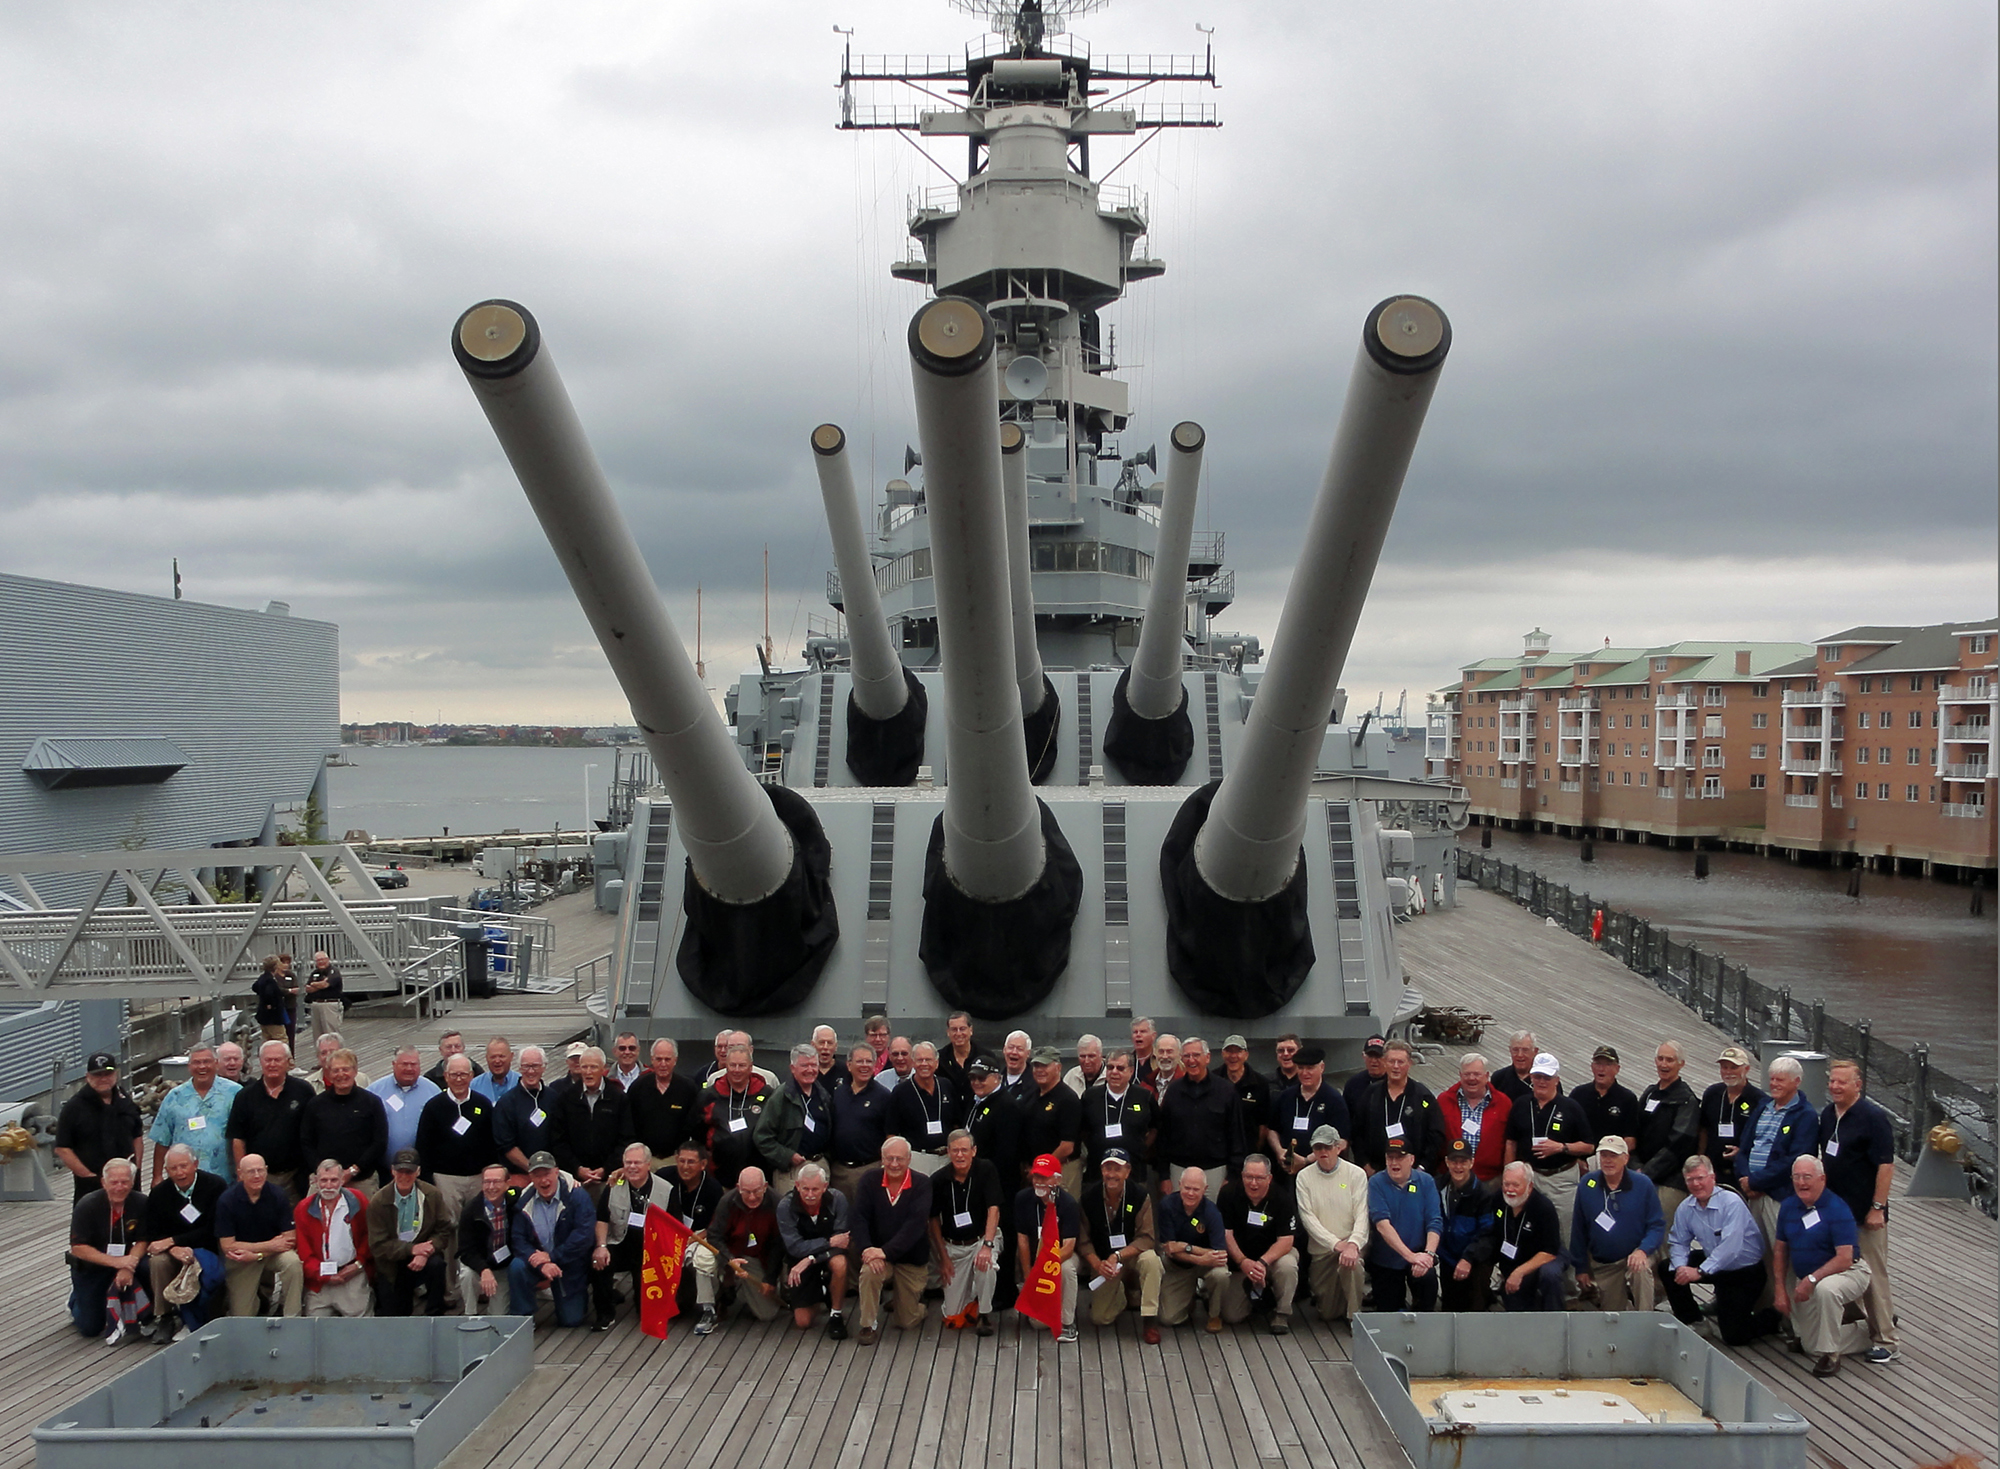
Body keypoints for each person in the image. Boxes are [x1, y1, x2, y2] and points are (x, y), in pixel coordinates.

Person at [1818, 1058, 1900, 1363]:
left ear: (1857, 1085)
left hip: (1866, 1214)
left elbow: (1886, 1165)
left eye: (1842, 1082)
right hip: (1836, 1212)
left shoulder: (1872, 1118)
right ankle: (1859, 1324)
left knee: (1873, 1275)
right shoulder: (1828, 1114)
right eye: (1832, 1081)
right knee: (1839, 1269)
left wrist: (1877, 1207)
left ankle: (1887, 1339)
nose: (1835, 1087)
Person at [1772, 1156, 1870, 1378]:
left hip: (1848, 1272)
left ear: (1822, 1179)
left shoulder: (1837, 1208)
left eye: (1807, 1177)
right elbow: (1780, 1250)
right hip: (1810, 1278)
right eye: (1796, 1177)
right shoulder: (1788, 1206)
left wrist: (1812, 1280)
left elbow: (1845, 1258)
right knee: (1809, 1346)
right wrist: (1779, 1288)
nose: (1801, 1182)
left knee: (1827, 1290)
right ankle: (1864, 1329)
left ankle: (1831, 1354)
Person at [1503, 1051, 1592, 1289]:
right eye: (1538, 1076)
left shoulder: (1570, 1107)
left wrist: (1561, 1147)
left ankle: (1568, 1286)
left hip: (1561, 1177)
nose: (1541, 1081)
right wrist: (1508, 1173)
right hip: (1530, 1177)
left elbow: (1589, 1144)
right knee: (1521, 1227)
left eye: (1547, 1077)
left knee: (1565, 1231)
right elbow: (1510, 1142)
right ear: (1531, 1077)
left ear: (1557, 1080)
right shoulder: (1521, 1105)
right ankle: (1517, 1278)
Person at [1664, 1154, 1771, 1345]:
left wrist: (1699, 1271)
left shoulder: (1731, 1203)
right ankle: (1694, 1320)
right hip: (1714, 1264)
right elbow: (1679, 1242)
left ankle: (1773, 1319)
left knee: (1734, 1337)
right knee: (1668, 1268)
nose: (1696, 1184)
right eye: (1690, 1180)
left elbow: (1731, 1248)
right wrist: (1681, 1267)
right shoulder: (1685, 1208)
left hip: (1743, 1272)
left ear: (1712, 1178)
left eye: (1700, 1178)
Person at [851, 1137, 933, 1342]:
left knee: (907, 1322)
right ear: (882, 1158)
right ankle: (868, 1325)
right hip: (879, 1256)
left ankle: (914, 1305)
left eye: (899, 1159)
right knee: (869, 1272)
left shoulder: (922, 1184)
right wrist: (868, 1250)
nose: (894, 1164)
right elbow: (858, 1218)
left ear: (909, 1159)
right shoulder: (869, 1180)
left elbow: (915, 1226)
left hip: (910, 1259)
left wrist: (884, 1251)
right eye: (889, 1158)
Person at [1570, 1137, 1665, 1310]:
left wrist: (1643, 1250)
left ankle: (1645, 1322)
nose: (1607, 1160)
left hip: (1637, 1254)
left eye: (1613, 1156)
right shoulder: (1587, 1184)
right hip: (1605, 1264)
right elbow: (1578, 1228)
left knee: (1640, 1271)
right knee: (1613, 1317)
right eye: (1604, 1155)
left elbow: (1657, 1225)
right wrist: (1581, 1268)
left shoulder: (1643, 1184)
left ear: (1626, 1158)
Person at [143, 1144, 227, 1339]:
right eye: (173, 1168)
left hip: (207, 1247)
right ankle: (165, 1316)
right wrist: (173, 1249)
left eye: (184, 1166)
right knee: (157, 1261)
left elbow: (213, 1228)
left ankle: (198, 1315)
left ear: (195, 1164)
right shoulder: (159, 1194)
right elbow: (153, 1232)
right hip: (173, 1250)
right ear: (167, 1170)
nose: (180, 1172)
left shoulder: (215, 1186)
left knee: (205, 1267)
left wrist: (174, 1241)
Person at [1076, 1149, 1162, 1340]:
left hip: (1131, 1255)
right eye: (1108, 1168)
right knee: (1100, 1318)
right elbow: (1083, 1242)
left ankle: (1150, 1320)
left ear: (1127, 1171)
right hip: (1104, 1261)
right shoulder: (1089, 1198)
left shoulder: (1140, 1195)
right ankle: (1122, 1294)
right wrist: (1098, 1264)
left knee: (1152, 1260)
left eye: (1117, 1169)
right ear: (1101, 1170)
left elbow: (1147, 1238)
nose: (1112, 1174)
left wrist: (1119, 1255)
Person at [1737, 1056, 1819, 1247]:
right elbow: (1745, 1147)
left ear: (1796, 1081)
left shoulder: (1805, 1116)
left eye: (1780, 1080)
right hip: (1751, 1194)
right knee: (1754, 1252)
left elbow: (1795, 1160)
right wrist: (1744, 1177)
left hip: (1778, 1197)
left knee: (1782, 1252)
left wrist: (1756, 1181)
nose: (1774, 1084)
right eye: (1772, 1079)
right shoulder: (1762, 1107)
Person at [593, 1143, 676, 1331]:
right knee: (599, 1262)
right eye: (628, 1162)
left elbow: (673, 1227)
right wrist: (601, 1246)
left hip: (650, 1250)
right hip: (618, 1243)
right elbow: (602, 1219)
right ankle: (605, 1314)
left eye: (637, 1162)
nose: (632, 1167)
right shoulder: (613, 1185)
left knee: (645, 1311)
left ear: (648, 1164)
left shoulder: (666, 1190)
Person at [509, 1151, 596, 1328]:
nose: (543, 1180)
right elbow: (518, 1239)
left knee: (571, 1320)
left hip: (569, 1262)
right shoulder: (523, 1202)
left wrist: (553, 1257)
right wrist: (542, 1263)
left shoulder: (578, 1196)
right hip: (538, 1261)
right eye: (537, 1175)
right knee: (517, 1266)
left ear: (557, 1171)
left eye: (547, 1174)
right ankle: (524, 1318)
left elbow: (583, 1236)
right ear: (530, 1177)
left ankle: (571, 1295)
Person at [691, 1165, 783, 1332]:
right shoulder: (727, 1202)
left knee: (766, 1314)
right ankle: (708, 1309)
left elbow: (778, 1244)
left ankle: (736, 1290)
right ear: (738, 1188)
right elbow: (714, 1236)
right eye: (747, 1192)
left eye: (756, 1191)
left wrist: (770, 1278)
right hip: (726, 1250)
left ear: (765, 1186)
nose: (752, 1197)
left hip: (754, 1256)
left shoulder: (778, 1203)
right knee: (703, 1258)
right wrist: (729, 1259)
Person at [67, 1157, 148, 1342]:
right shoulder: (87, 1205)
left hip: (127, 1261)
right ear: (104, 1182)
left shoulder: (141, 1202)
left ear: (132, 1182)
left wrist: (127, 1265)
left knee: (148, 1266)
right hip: (92, 1267)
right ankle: (75, 1300)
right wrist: (116, 1262)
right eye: (114, 1182)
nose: (119, 1187)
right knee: (90, 1327)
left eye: (125, 1181)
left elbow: (144, 1240)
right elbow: (78, 1248)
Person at [1294, 1125, 1369, 1321]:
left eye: (1327, 1147)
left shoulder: (1357, 1174)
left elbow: (1362, 1214)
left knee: (1351, 1265)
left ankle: (1355, 1316)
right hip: (1322, 1250)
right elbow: (1308, 1218)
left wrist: (1352, 1244)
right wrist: (1335, 1244)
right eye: (1318, 1148)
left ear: (1339, 1147)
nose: (1323, 1152)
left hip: (1351, 1244)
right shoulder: (1303, 1177)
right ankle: (1341, 1300)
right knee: (1327, 1313)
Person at [416, 1054, 497, 1234]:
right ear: (446, 1076)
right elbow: (424, 1146)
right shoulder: (433, 1107)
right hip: (446, 1180)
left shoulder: (483, 1104)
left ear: (471, 1076)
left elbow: (492, 1142)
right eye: (454, 1075)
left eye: (463, 1074)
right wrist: (429, 1181)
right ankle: (452, 1263)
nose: (458, 1079)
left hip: (477, 1178)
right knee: (448, 1228)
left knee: (478, 1225)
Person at [216, 1153, 304, 1318]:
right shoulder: (227, 1201)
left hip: (271, 1255)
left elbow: (290, 1239)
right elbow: (228, 1246)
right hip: (241, 1259)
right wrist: (269, 1245)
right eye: (250, 1171)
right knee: (242, 1317)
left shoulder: (278, 1195)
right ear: (240, 1173)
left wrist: (258, 1254)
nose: (256, 1175)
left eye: (260, 1170)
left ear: (266, 1171)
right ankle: (259, 1301)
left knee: (293, 1263)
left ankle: (293, 1316)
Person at [1153, 1039, 1243, 1199]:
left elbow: (1236, 1134)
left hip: (1215, 1172)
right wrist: (1164, 1175)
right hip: (1179, 1171)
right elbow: (1163, 1136)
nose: (1191, 1060)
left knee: (1213, 1221)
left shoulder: (1226, 1091)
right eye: (1186, 1056)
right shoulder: (1173, 1091)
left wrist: (1232, 1176)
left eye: (1196, 1055)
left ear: (1207, 1058)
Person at [227, 1040, 316, 1199]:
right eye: (268, 1060)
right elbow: (238, 1138)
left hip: (296, 1176)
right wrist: (242, 1172)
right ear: (260, 1062)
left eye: (277, 1060)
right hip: (259, 1176)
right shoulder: (245, 1096)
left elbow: (314, 1131)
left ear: (288, 1062)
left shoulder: (304, 1091)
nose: (272, 1064)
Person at [1219, 1154, 1298, 1333]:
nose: (1253, 1183)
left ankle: (1281, 1313)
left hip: (1272, 1258)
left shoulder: (1282, 1198)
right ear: (1242, 1175)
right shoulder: (1228, 1194)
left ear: (1269, 1178)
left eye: (1259, 1178)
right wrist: (1243, 1261)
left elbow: (1286, 1240)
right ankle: (1256, 1300)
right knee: (1232, 1316)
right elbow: (1226, 1234)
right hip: (1241, 1262)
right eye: (1249, 1177)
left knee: (1288, 1265)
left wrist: (1262, 1263)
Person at [368, 1148, 451, 1316]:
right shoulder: (378, 1202)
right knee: (394, 1314)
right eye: (400, 1171)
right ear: (392, 1171)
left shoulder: (432, 1195)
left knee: (437, 1265)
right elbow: (378, 1246)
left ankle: (435, 1314)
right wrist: (411, 1249)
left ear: (418, 1171)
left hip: (425, 1256)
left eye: (409, 1171)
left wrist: (425, 1252)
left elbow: (444, 1230)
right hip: (391, 1263)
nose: (404, 1176)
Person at [53, 1051, 143, 1203]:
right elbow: (62, 1148)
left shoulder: (124, 1100)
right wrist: (87, 1175)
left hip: (127, 1180)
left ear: (116, 1074)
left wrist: (136, 1169)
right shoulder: (74, 1107)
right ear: (88, 1077)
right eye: (97, 1075)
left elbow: (137, 1136)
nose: (103, 1079)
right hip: (91, 1183)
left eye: (107, 1074)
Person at [147, 1043, 240, 1186]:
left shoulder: (235, 1093)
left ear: (216, 1064)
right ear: (189, 1067)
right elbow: (162, 1139)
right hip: (185, 1180)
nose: (202, 1067)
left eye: (206, 1062)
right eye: (197, 1062)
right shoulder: (174, 1097)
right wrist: (157, 1176)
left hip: (226, 1179)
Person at [1366, 1140, 1443, 1311]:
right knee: (1389, 1313)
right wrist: (1410, 1256)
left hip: (1418, 1253)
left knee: (1428, 1281)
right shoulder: (1376, 1183)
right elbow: (1382, 1225)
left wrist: (1428, 1255)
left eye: (1400, 1158)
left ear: (1411, 1160)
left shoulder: (1426, 1181)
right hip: (1386, 1260)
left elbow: (1434, 1221)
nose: (1394, 1163)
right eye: (1390, 1157)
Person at [775, 1162, 851, 1336]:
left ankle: (836, 1314)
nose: (810, 1195)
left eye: (815, 1189)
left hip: (823, 1257)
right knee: (803, 1322)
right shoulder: (785, 1207)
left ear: (825, 1187)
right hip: (799, 1259)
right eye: (805, 1189)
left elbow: (843, 1242)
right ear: (797, 1186)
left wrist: (810, 1258)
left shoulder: (838, 1199)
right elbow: (795, 1247)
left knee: (840, 1264)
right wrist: (828, 1242)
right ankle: (822, 1292)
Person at [1634, 1041, 1702, 1234]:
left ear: (1681, 1064)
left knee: (1662, 1238)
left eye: (1670, 1060)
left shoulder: (1686, 1100)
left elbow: (1678, 1145)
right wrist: (1635, 1167)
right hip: (1641, 1175)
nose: (1664, 1064)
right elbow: (1635, 1132)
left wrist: (1646, 1173)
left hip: (1669, 1181)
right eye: (1660, 1059)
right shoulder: (1650, 1093)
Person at [1013, 1153, 1081, 1343]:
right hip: (1035, 1259)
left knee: (1066, 1269)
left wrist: (1045, 1268)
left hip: (1061, 1256)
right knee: (1037, 1324)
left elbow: (1069, 1246)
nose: (1039, 1182)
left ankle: (1068, 1322)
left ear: (1057, 1180)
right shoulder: (1022, 1199)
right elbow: (1022, 1240)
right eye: (1036, 1176)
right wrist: (1029, 1275)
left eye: (1044, 1177)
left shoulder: (1068, 1203)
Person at [299, 1047, 389, 1189]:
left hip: (362, 1180)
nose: (341, 1074)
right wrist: (322, 1171)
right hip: (324, 1180)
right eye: (336, 1070)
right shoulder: (316, 1104)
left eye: (345, 1069)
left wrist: (353, 1170)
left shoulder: (372, 1102)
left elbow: (379, 1142)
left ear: (355, 1071)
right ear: (328, 1074)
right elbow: (306, 1141)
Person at [295, 1157, 374, 1317]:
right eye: (324, 1180)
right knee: (314, 1330)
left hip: (352, 1275)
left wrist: (359, 1263)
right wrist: (321, 1275)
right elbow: (304, 1252)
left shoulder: (357, 1200)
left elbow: (369, 1235)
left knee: (363, 1328)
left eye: (333, 1180)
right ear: (316, 1181)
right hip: (319, 1281)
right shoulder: (303, 1209)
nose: (329, 1186)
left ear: (342, 1180)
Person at [1157, 1165, 1230, 1332]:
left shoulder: (1212, 1212)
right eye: (1187, 1188)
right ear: (1179, 1184)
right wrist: (1200, 1256)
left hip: (1207, 1265)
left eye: (1196, 1189)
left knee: (1221, 1274)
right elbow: (1169, 1249)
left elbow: (1221, 1254)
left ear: (1205, 1189)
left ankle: (1214, 1315)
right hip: (1178, 1266)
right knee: (1168, 1319)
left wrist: (1186, 1247)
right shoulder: (1166, 1206)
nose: (1190, 1193)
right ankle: (1187, 1298)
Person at [1353, 1040, 1443, 1174]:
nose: (1396, 1066)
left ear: (1409, 1064)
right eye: (1391, 1061)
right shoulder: (1371, 1094)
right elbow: (1357, 1131)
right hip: (1375, 1172)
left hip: (1413, 1173)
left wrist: (1422, 1168)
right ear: (1384, 1062)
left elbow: (1435, 1135)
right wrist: (1365, 1165)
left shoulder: (1422, 1096)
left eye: (1400, 1062)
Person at [552, 1046, 632, 1194]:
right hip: (575, 1180)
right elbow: (558, 1140)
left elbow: (626, 1139)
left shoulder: (618, 1098)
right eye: (585, 1067)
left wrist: (606, 1169)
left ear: (603, 1068)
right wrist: (577, 1168)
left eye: (593, 1067)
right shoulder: (566, 1098)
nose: (588, 1072)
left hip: (610, 1179)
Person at [755, 1043, 830, 1194]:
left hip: (819, 1165)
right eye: (804, 1065)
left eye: (813, 1065)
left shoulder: (823, 1095)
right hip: (790, 1171)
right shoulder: (780, 1097)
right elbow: (761, 1137)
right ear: (792, 1068)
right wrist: (788, 1156)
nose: (810, 1070)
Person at [1266, 1047, 1351, 1176]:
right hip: (1286, 1170)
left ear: (1321, 1068)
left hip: (1320, 1171)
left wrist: (1307, 1160)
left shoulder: (1334, 1100)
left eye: (1310, 1068)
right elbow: (1272, 1129)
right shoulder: (1286, 1097)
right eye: (1301, 1068)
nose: (1305, 1073)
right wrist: (1279, 1152)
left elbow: (1342, 1141)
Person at [1492, 1161, 1564, 1311]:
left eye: (1515, 1185)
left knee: (1550, 1274)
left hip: (1544, 1258)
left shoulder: (1544, 1207)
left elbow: (1550, 1251)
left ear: (1529, 1186)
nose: (1509, 1190)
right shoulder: (1498, 1200)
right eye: (1506, 1184)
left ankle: (1555, 1317)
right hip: (1513, 1260)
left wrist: (1519, 1272)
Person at [1436, 1139, 1498, 1312]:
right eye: (1454, 1161)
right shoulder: (1437, 1187)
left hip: (1474, 1261)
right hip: (1448, 1259)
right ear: (1447, 1162)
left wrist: (1468, 1258)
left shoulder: (1483, 1194)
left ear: (1472, 1162)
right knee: (1449, 1309)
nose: (1458, 1167)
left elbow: (1487, 1234)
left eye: (1463, 1162)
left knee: (1474, 1311)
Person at [1081, 1050, 1156, 1191]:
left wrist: (1141, 1148)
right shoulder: (1090, 1096)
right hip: (1097, 1172)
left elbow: (1155, 1128)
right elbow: (1083, 1130)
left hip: (1134, 1172)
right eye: (1110, 1067)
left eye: (1120, 1068)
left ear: (1131, 1071)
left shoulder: (1144, 1096)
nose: (1114, 1072)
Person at [699, 1042, 770, 1188]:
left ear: (750, 1067)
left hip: (758, 1177)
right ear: (726, 1066)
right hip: (720, 1176)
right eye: (732, 1065)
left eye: (742, 1065)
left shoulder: (767, 1094)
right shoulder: (709, 1096)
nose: (736, 1070)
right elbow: (698, 1131)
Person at [888, 1042, 964, 1176]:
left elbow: (956, 1123)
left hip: (947, 1157)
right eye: (920, 1060)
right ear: (913, 1062)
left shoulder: (946, 1085)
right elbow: (891, 1131)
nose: (924, 1064)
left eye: (928, 1059)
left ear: (936, 1063)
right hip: (918, 1158)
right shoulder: (900, 1092)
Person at [828, 1045, 891, 1205]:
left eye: (869, 1061)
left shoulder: (883, 1096)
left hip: (869, 1169)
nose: (864, 1066)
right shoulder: (838, 1092)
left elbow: (890, 1134)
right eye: (860, 1061)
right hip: (839, 1172)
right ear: (849, 1065)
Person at [369, 1044, 442, 1179]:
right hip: (384, 1170)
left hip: (423, 1170)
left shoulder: (433, 1091)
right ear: (394, 1064)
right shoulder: (375, 1091)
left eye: (413, 1064)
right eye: (404, 1064)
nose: (409, 1068)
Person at [1437, 1053, 1511, 1184]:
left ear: (1487, 1076)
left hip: (1490, 1179)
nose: (1471, 1078)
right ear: (1460, 1075)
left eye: (1477, 1074)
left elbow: (1510, 1142)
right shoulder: (1444, 1101)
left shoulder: (1503, 1103)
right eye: (1467, 1074)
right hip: (1451, 1178)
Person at [458, 1164, 518, 1318]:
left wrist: (572, 1182)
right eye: (487, 1182)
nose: (491, 1187)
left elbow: (534, 1188)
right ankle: (470, 1314)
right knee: (466, 1276)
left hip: (502, 1266)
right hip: (478, 1265)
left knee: (498, 1317)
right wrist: (483, 1269)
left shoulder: (514, 1199)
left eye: (496, 1182)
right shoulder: (470, 1211)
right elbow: (465, 1251)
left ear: (507, 1183)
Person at [629, 1037, 700, 1167]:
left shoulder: (688, 1088)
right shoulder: (638, 1087)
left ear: (675, 1061)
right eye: (658, 1059)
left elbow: (695, 1127)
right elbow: (629, 1126)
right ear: (652, 1060)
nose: (663, 1064)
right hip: (645, 1160)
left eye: (667, 1059)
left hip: (676, 1159)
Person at [1022, 1047, 1084, 1196]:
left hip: (1061, 1170)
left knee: (1061, 1215)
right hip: (1034, 1172)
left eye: (1045, 1065)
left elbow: (1067, 1147)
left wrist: (1042, 1169)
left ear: (1058, 1067)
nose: (1039, 1070)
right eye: (1036, 1066)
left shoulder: (1068, 1099)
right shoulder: (1030, 1096)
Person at [1698, 1045, 1766, 1171]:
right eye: (1724, 1067)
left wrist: (1742, 1152)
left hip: (1742, 1169)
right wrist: (1701, 1157)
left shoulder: (1759, 1099)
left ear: (1746, 1069)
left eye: (1734, 1068)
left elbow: (1763, 1138)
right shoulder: (1712, 1093)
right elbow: (1703, 1129)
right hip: (1713, 1168)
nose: (1728, 1072)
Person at [494, 1045, 558, 1176]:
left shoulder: (554, 1098)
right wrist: (532, 1170)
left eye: (535, 1066)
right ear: (519, 1068)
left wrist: (550, 1171)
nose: (530, 1071)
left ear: (544, 1067)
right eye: (526, 1066)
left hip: (551, 1173)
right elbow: (506, 1145)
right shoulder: (506, 1103)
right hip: (519, 1175)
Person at [1569, 1045, 1641, 1157]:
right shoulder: (1578, 1094)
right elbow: (1567, 1130)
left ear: (1617, 1069)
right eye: (1598, 1064)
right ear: (1592, 1067)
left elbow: (1630, 1139)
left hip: (1612, 1161)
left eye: (1607, 1064)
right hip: (1580, 1161)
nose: (1601, 1069)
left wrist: (1611, 1157)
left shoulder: (1628, 1099)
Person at [1218, 1035, 1271, 1151]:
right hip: (1219, 1150)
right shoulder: (1213, 1080)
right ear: (1222, 1054)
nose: (1233, 1056)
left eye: (1238, 1051)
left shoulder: (1260, 1083)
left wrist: (1257, 1149)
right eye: (1229, 1051)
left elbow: (1263, 1123)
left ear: (1246, 1055)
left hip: (1248, 1149)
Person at [938, 1012, 994, 1096]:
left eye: (962, 1029)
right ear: (948, 1032)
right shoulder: (939, 1059)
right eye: (954, 1029)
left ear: (970, 1030)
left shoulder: (986, 1057)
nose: (958, 1033)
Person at [252, 954, 297, 1048]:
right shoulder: (270, 980)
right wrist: (271, 1004)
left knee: (267, 1039)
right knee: (281, 1039)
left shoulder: (263, 978)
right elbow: (269, 993)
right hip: (273, 1017)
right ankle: (285, 1060)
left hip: (263, 1016)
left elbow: (255, 987)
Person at [301, 951, 345, 1046]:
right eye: (318, 960)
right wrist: (319, 985)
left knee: (332, 1034)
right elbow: (308, 988)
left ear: (328, 960)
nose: (321, 962)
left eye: (323, 959)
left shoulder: (334, 971)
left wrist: (316, 984)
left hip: (330, 1005)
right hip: (316, 1005)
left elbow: (325, 984)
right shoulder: (314, 973)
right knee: (318, 1036)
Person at [1340, 1035, 1388, 1119]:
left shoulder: (1396, 1083)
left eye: (1378, 1056)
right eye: (1370, 1056)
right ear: (1363, 1056)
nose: (1373, 1061)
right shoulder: (1353, 1084)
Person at [1491, 1031, 1539, 1104]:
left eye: (1525, 1050)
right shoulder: (1499, 1077)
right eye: (1515, 1050)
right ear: (1510, 1050)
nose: (1520, 1055)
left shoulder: (1546, 1080)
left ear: (1535, 1051)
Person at [470, 1036, 518, 1104]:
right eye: (493, 1057)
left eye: (501, 1056)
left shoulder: (521, 1083)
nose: (497, 1061)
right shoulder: (474, 1085)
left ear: (511, 1056)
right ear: (486, 1058)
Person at [812, 1026, 851, 1092]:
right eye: (821, 1042)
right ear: (813, 1045)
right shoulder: (806, 1071)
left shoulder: (846, 1070)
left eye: (830, 1043)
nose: (825, 1047)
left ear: (836, 1046)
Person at [999, 1030, 1033, 1096]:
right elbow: (988, 1105)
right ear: (1004, 1050)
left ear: (1028, 1053)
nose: (1014, 1052)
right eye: (1010, 1047)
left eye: (1019, 1049)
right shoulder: (995, 1079)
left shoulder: (1036, 1083)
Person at [1129, 1017, 1159, 1090]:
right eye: (1135, 1032)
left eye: (1143, 1031)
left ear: (1153, 1036)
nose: (1138, 1035)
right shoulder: (1127, 1060)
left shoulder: (1161, 1059)